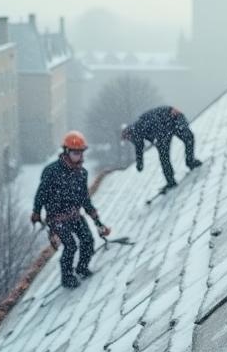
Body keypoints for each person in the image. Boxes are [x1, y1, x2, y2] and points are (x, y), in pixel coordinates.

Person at [31, 131, 111, 289]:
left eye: (81, 153)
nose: (79, 156)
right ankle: (67, 277)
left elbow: (84, 199)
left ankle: (82, 268)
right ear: (66, 152)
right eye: (75, 153)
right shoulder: (51, 171)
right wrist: (36, 211)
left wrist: (97, 221)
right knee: (70, 246)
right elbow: (41, 193)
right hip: (57, 218)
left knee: (88, 240)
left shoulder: (82, 173)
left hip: (74, 215)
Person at [122, 106, 202, 193]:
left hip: (169, 124)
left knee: (186, 139)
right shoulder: (138, 128)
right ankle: (188, 164)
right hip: (166, 126)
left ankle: (182, 170)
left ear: (128, 133)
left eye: (127, 137)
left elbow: (139, 148)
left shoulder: (136, 130)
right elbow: (139, 147)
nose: (128, 139)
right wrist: (140, 163)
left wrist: (140, 164)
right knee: (169, 153)